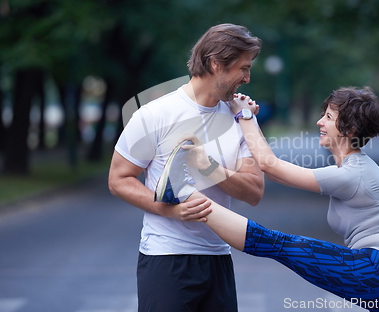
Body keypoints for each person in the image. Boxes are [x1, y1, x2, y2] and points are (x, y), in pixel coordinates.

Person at [168, 87, 379, 312]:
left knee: (276, 243)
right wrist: (247, 118)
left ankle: (181, 188)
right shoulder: (353, 169)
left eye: (328, 117)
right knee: (279, 245)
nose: (319, 122)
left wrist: (244, 115)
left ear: (351, 129)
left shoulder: (354, 173)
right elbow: (277, 173)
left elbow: (271, 167)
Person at [108, 23, 265, 312]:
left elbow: (254, 191)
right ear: (217, 64)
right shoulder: (155, 115)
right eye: (243, 68)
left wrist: (209, 167)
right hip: (166, 258)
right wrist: (168, 210)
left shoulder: (240, 118)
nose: (247, 78)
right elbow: (119, 179)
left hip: (218, 256)